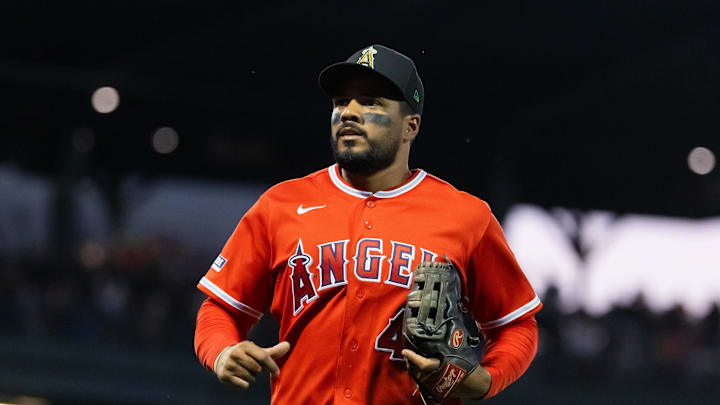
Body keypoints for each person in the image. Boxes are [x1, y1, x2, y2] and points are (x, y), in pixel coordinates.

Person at [194, 44, 541, 404]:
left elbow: (517, 325)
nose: (349, 113)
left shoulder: (467, 217)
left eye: (371, 102)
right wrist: (220, 351)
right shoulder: (281, 205)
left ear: (411, 126)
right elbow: (221, 308)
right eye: (341, 102)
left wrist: (487, 379)